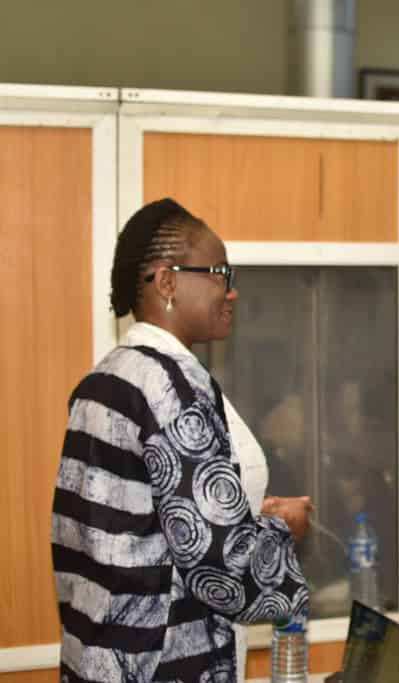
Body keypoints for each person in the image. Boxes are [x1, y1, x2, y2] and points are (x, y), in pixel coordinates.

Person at [51, 198, 312, 682]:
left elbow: (134, 535)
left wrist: (244, 519)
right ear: (168, 282)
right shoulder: (171, 389)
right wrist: (282, 531)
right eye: (220, 274)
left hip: (98, 659)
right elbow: (220, 570)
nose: (231, 292)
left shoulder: (103, 381)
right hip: (163, 665)